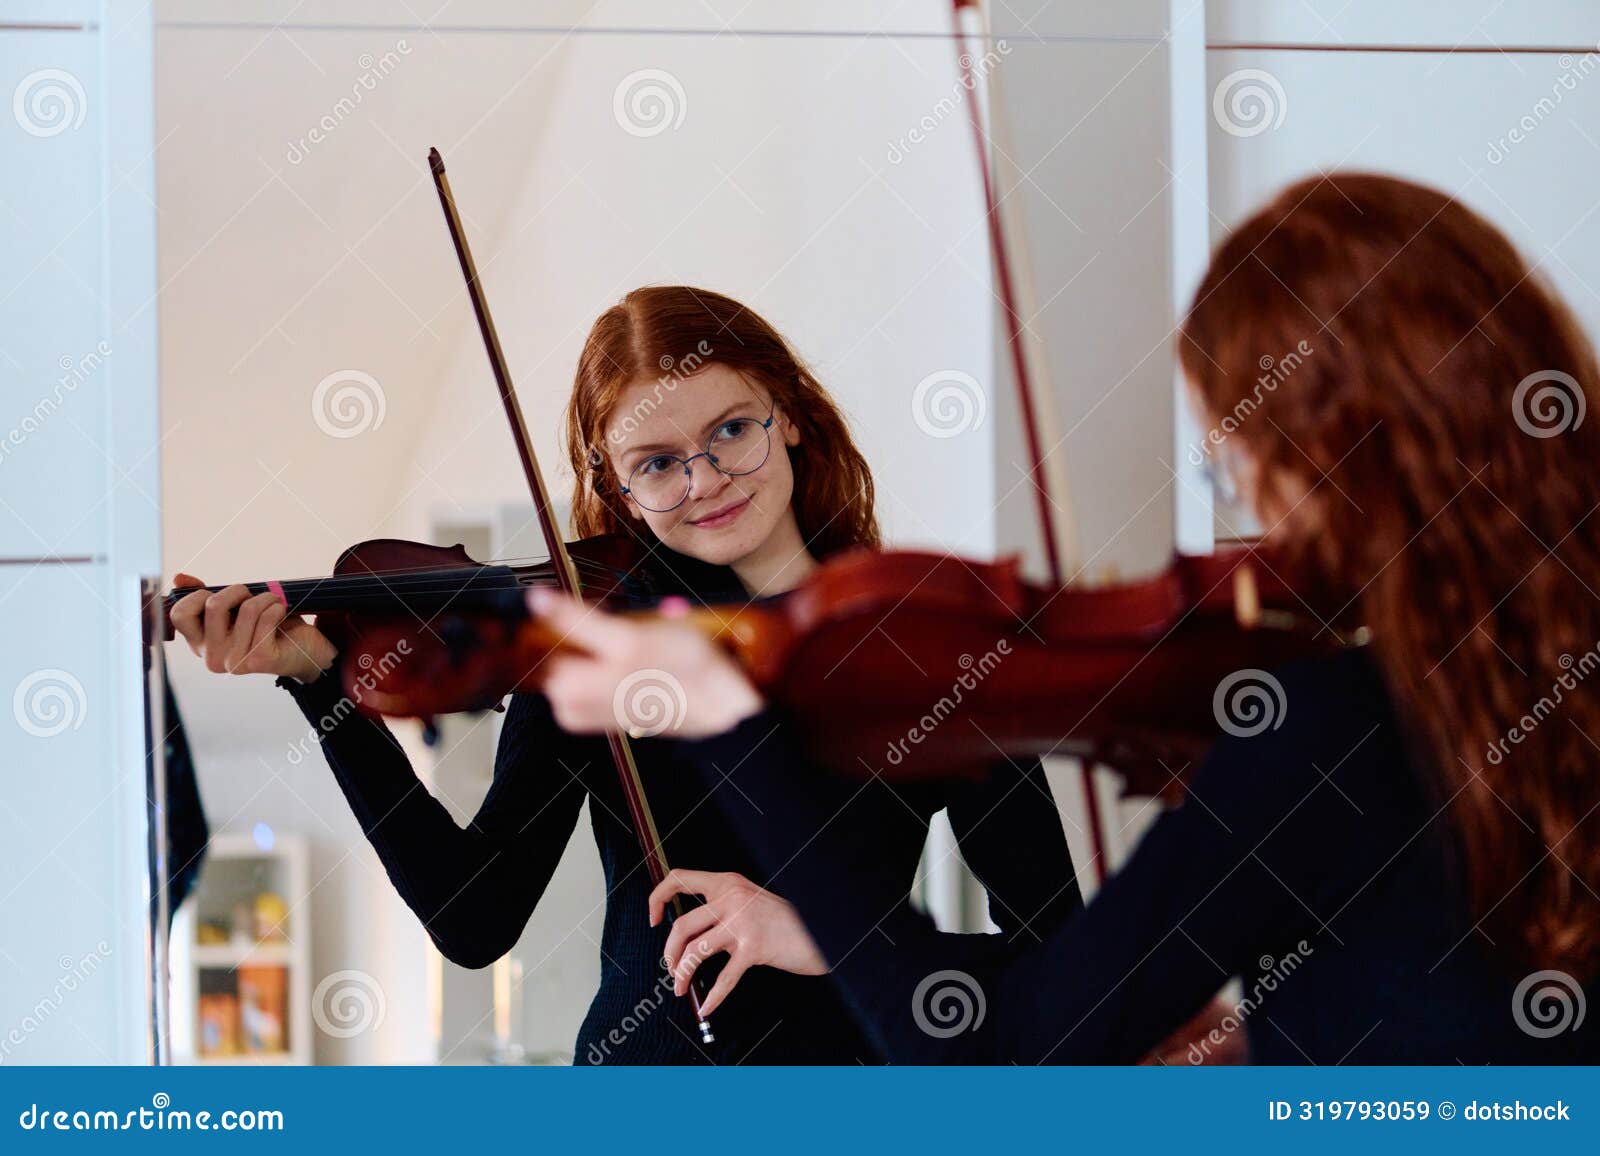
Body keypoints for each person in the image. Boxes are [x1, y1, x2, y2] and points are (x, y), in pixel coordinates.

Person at [529, 175, 1600, 1063]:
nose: (1250, 521)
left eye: (1242, 469)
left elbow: (1004, 1053)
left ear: (1330, 456)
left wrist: (731, 734)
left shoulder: (1325, 731)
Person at [169, 286, 1081, 1064]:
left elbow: (1065, 964)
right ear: (616, 483)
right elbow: (473, 917)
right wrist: (324, 685)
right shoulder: (598, 642)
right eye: (657, 463)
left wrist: (834, 936)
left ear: (789, 415)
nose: (705, 479)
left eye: (731, 430)